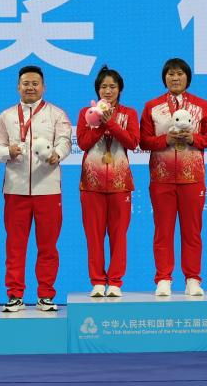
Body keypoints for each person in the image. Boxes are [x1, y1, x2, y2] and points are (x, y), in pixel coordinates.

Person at [0, 65, 72, 313]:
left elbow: (65, 141)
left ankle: (46, 295)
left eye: (35, 83)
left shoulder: (57, 114)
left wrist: (57, 154)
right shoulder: (6, 116)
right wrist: (8, 152)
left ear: (43, 87)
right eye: (25, 83)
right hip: (15, 189)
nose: (30, 87)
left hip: (47, 189)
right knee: (15, 246)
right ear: (18, 87)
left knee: (48, 246)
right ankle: (14, 295)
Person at [140, 58, 207, 297]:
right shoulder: (152, 106)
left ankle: (193, 279)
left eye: (180, 74)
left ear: (187, 77)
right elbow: (143, 141)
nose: (175, 78)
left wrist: (194, 139)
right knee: (162, 231)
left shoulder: (201, 105)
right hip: (161, 178)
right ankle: (163, 278)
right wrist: (165, 140)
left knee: (192, 232)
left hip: (192, 178)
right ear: (164, 78)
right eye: (171, 74)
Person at [76, 66, 139, 298]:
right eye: (104, 87)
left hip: (120, 183)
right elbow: (83, 143)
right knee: (93, 236)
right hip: (91, 183)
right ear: (97, 90)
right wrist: (99, 123)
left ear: (120, 89)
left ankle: (115, 282)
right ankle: (96, 282)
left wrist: (110, 122)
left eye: (113, 86)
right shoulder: (86, 113)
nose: (108, 91)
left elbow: (133, 142)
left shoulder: (129, 113)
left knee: (119, 235)